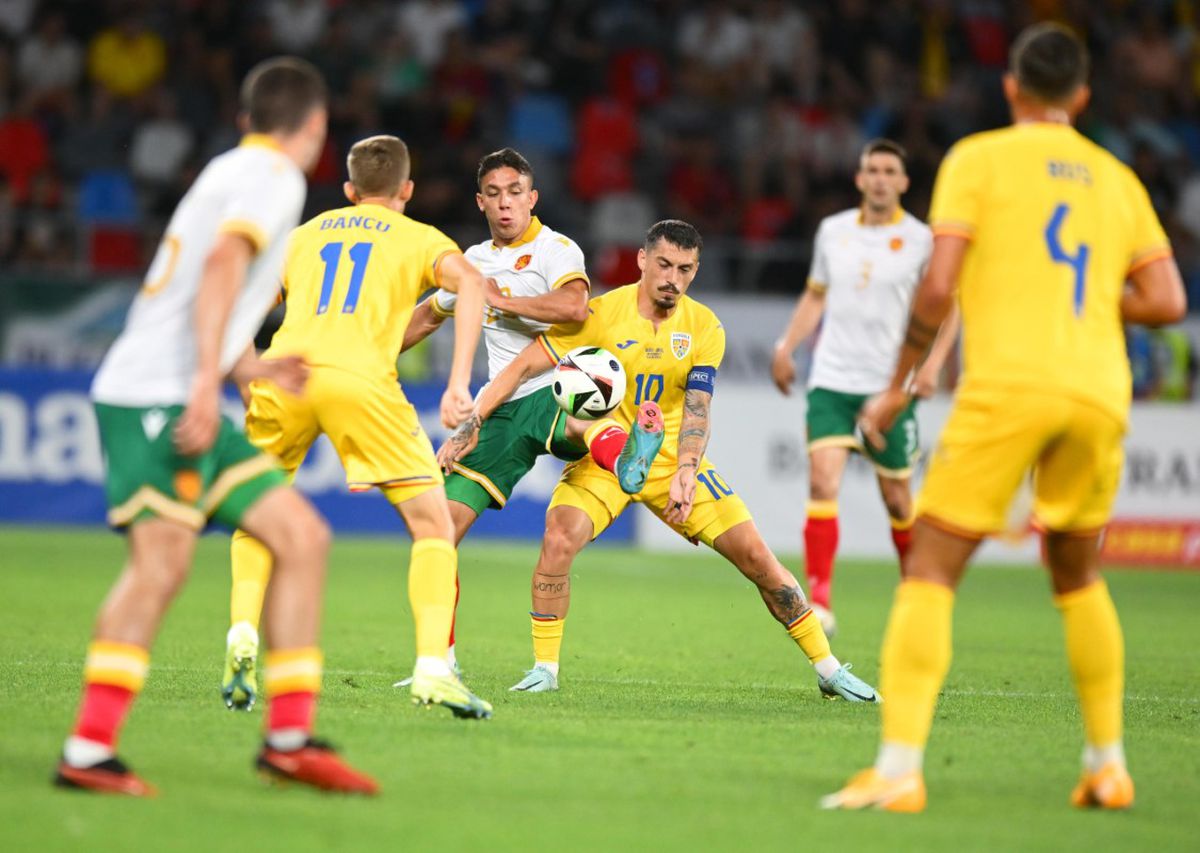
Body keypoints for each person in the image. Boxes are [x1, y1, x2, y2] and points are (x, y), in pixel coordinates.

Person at [822, 23, 1187, 813]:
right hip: (1099, 391)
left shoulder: (979, 159)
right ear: (1082, 97)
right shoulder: (1119, 178)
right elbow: (1166, 300)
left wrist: (897, 384)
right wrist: (1084, 308)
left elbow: (936, 286)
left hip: (1011, 386)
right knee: (1079, 574)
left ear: (1012, 88)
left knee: (929, 570)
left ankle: (898, 769)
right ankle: (1107, 764)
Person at [55, 58, 378, 796]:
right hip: (157, 398)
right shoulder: (274, 178)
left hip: (166, 388)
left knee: (301, 537)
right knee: (160, 567)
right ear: (316, 129)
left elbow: (212, 288)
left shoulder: (230, 168)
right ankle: (88, 748)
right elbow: (225, 262)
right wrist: (208, 382)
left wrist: (248, 370)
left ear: (246, 117)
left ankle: (290, 740)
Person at [441, 220, 881, 701]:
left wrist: (688, 471)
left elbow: (698, 407)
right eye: (665, 265)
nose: (673, 277)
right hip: (606, 457)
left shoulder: (704, 327)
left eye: (685, 269)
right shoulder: (601, 314)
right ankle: (545, 669)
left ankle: (829, 668)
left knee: (758, 559)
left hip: (672, 459)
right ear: (642, 261)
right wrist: (474, 421)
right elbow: (525, 365)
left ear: (696, 271)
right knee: (559, 538)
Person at [221, 134, 491, 720]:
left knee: (257, 510)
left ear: (348, 191)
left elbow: (238, 298)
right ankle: (431, 669)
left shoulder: (306, 234)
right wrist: (458, 383)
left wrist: (247, 369)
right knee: (432, 526)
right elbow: (472, 284)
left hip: (285, 375)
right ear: (407, 190)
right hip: (359, 381)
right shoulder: (420, 236)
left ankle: (242, 629)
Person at [394, 147, 665, 679]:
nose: (505, 204)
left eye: (515, 192)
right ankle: (439, 663)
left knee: (578, 404)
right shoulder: (470, 264)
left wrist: (500, 300)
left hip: (556, 384)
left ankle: (628, 459)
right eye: (493, 194)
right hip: (502, 408)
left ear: (532, 197)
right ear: (480, 201)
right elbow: (428, 316)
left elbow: (574, 307)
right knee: (438, 533)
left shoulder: (555, 249)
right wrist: (371, 357)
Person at [772, 139, 958, 636]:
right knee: (821, 483)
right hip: (832, 380)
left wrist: (933, 366)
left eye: (888, 171)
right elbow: (816, 296)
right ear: (859, 179)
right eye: (871, 169)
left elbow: (948, 307)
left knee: (898, 499)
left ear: (902, 182)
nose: (879, 178)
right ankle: (820, 601)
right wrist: (786, 346)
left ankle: (915, 594)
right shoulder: (833, 232)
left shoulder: (922, 240)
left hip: (889, 388)